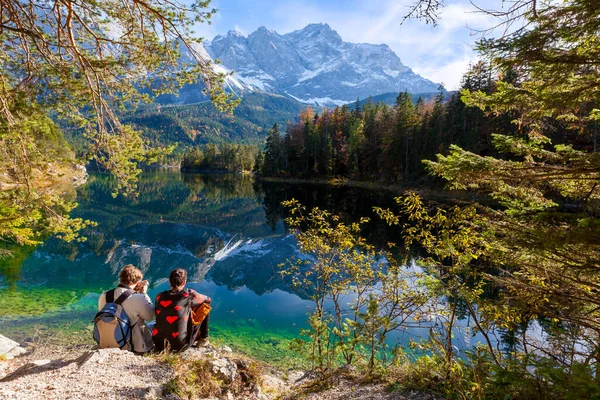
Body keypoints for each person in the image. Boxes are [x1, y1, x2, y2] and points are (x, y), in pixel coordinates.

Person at [97, 264, 155, 353]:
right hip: (132, 345)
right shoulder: (138, 297)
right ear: (139, 282)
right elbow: (150, 316)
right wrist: (144, 293)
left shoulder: (104, 295)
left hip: (108, 341)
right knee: (154, 323)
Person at [153, 268, 211, 352]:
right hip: (180, 345)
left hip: (159, 343)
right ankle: (204, 339)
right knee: (205, 306)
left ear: (169, 281)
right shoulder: (189, 294)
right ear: (184, 282)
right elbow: (208, 300)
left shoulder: (159, 296)